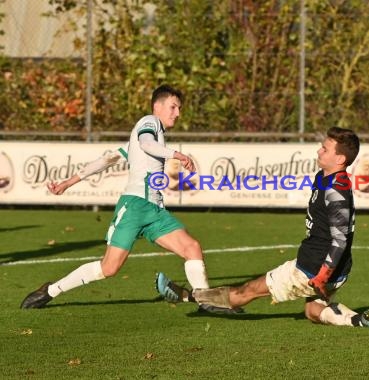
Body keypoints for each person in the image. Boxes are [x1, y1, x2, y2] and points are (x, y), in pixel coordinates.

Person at [155, 127, 369, 329]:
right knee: (312, 311)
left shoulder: (337, 191)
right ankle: (359, 320)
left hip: (313, 268)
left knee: (247, 291)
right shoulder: (326, 177)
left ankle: (187, 296)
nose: (319, 151)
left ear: (340, 158)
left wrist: (322, 274)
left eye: (325, 148)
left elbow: (340, 239)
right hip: (336, 271)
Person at [21, 84, 224, 312]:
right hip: (135, 206)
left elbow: (107, 159)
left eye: (179, 108)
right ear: (157, 106)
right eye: (173, 107)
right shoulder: (150, 122)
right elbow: (148, 144)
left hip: (154, 211)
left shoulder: (145, 137)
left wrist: (68, 182)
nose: (177, 113)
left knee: (192, 247)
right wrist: (178, 155)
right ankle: (50, 290)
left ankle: (207, 302)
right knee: (109, 268)